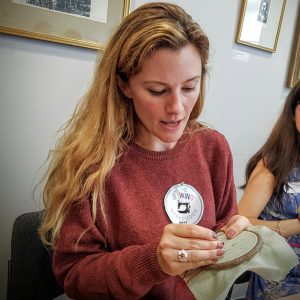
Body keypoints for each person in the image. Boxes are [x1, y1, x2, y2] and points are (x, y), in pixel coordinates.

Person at [39, 2, 250, 299]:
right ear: (124, 84)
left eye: (189, 87)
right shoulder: (92, 165)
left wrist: (235, 235)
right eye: (157, 90)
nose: (176, 108)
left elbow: (221, 230)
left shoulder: (213, 147)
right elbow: (74, 276)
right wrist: (154, 262)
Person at [238, 81, 300, 299]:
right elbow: (240, 223)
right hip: (280, 280)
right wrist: (295, 225)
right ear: (293, 112)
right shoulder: (273, 165)